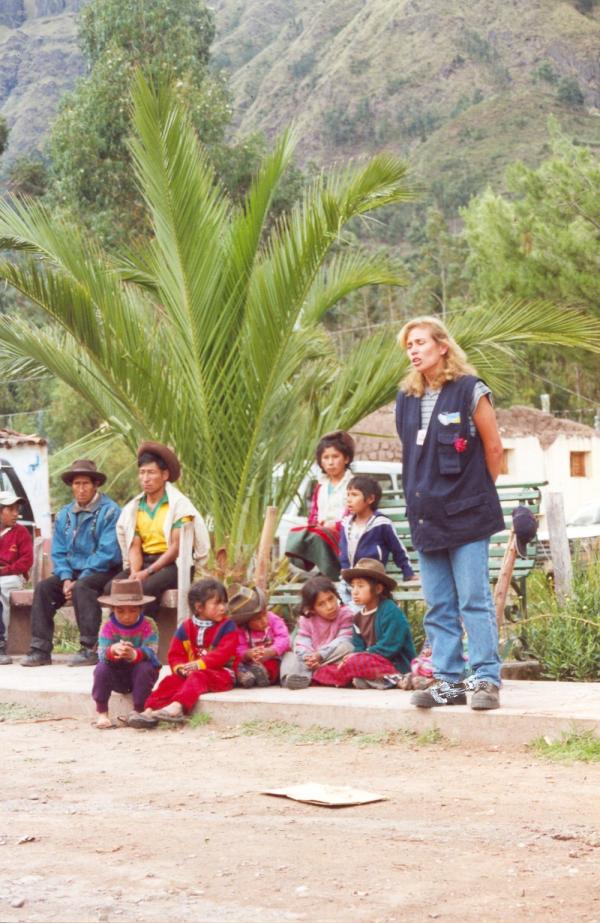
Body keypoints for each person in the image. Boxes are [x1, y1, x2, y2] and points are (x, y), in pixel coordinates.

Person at [395, 316, 505, 710]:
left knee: (473, 600)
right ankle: (447, 681)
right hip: (426, 517)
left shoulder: (470, 390)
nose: (413, 350)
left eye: (420, 342)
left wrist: (474, 493)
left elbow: (493, 449)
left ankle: (486, 680)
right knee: (439, 603)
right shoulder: (406, 398)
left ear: (443, 346)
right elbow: (413, 457)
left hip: (468, 515)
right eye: (409, 345)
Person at [22, 460, 122, 667]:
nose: (81, 488)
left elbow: (108, 551)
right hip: (72, 574)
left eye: (86, 483)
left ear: (96, 485)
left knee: (83, 587)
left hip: (103, 571)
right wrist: (66, 577)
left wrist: (81, 577)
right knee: (44, 588)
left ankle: (90, 648)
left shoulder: (110, 511)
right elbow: (58, 551)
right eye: (77, 484)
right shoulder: (64, 514)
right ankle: (40, 649)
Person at [115, 442, 210, 617]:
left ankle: (146, 636)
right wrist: (136, 573)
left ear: (164, 474)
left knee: (146, 588)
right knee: (115, 587)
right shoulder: (134, 508)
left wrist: (148, 573)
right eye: (142, 473)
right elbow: (134, 546)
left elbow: (175, 548)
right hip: (145, 562)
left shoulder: (179, 505)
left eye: (151, 472)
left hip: (174, 564)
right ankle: (118, 639)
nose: (145, 478)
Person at [130, 578, 237, 727]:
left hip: (222, 674)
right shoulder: (186, 628)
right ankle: (149, 710)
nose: (223, 608)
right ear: (199, 607)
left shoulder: (228, 626)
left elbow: (223, 654)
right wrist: (180, 668)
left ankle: (177, 707)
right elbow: (175, 654)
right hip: (191, 672)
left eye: (224, 602)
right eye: (217, 603)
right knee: (170, 681)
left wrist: (198, 665)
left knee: (198, 677)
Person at [312, 558, 416, 689]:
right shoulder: (357, 618)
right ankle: (370, 680)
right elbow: (359, 646)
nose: (354, 591)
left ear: (378, 588)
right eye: (353, 586)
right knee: (325, 669)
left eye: (360, 586)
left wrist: (360, 656)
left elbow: (389, 647)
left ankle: (396, 678)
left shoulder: (390, 610)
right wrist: (355, 656)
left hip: (393, 664)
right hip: (367, 661)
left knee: (356, 662)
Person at [285, 430, 355, 580]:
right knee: (296, 532)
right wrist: (313, 525)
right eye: (326, 457)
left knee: (318, 537)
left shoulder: (352, 484)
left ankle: (332, 573)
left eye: (335, 457)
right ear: (320, 461)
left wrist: (334, 525)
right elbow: (314, 513)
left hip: (345, 532)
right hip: (322, 531)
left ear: (346, 459)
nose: (330, 462)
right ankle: (318, 567)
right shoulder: (321, 486)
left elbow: (352, 513)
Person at [91, 579, 160, 729]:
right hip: (116, 672)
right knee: (101, 669)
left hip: (139, 672)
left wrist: (134, 654)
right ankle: (102, 712)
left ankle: (138, 710)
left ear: (141, 609)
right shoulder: (107, 626)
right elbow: (102, 653)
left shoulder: (149, 624)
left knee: (145, 668)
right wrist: (114, 650)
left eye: (133, 610)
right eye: (120, 611)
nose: (127, 616)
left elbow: (152, 650)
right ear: (113, 609)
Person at [280, 575, 354, 689]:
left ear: (336, 596)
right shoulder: (307, 619)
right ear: (312, 608)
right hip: (310, 659)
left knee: (348, 647)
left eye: (331, 598)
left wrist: (320, 655)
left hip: (330, 657)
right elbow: (302, 641)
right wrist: (308, 657)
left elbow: (344, 639)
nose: (330, 606)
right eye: (321, 604)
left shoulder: (345, 614)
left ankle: (308, 674)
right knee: (289, 656)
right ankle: (290, 679)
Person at [339, 475, 415, 579]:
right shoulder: (346, 524)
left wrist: (408, 572)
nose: (349, 499)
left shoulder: (381, 523)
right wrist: (345, 573)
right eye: (348, 494)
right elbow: (343, 552)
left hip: (373, 577)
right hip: (350, 577)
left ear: (370, 499)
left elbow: (398, 549)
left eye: (354, 495)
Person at [229, 584, 291, 688]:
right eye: (257, 619)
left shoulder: (273, 619)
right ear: (246, 622)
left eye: (264, 614)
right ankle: (245, 676)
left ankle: (264, 675)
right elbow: (239, 647)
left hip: (274, 657)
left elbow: (284, 638)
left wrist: (272, 651)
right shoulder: (242, 630)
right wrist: (248, 654)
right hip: (251, 662)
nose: (264, 620)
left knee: (275, 665)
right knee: (237, 663)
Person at [0, 490, 34, 665]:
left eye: (17, 509)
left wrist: (4, 571)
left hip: (13, 576)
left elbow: (26, 562)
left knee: (2, 590)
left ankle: (1, 642)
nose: (16, 513)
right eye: (11, 509)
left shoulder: (21, 532)